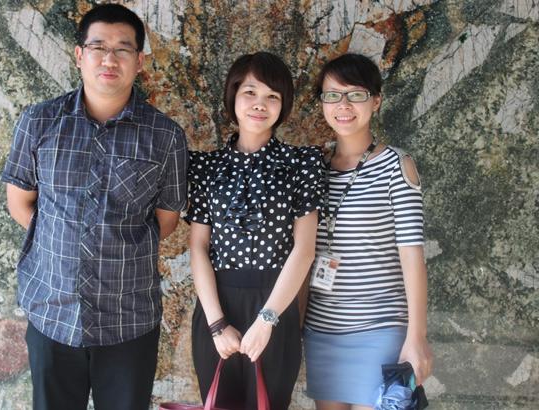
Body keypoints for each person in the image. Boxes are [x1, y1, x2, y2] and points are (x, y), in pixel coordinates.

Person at [0, 4, 188, 410]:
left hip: (128, 318)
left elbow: (167, 219)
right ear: (79, 54)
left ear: (139, 61)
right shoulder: (39, 122)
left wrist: (110, 243)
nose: (109, 59)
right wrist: (65, 236)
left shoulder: (165, 136)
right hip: (52, 312)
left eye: (123, 49)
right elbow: (20, 201)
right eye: (98, 46)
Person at [186, 51, 326, 410]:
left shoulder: (302, 163)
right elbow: (198, 247)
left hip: (275, 305)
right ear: (233, 95)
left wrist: (267, 320)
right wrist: (217, 324)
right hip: (217, 306)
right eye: (250, 92)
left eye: (272, 96)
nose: (260, 104)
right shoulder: (206, 166)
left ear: (283, 105)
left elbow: (304, 250)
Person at [303, 53, 434, 410]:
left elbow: (412, 256)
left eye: (356, 95)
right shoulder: (313, 169)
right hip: (322, 332)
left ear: (376, 101)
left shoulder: (397, 165)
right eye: (332, 95)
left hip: (382, 330)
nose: (343, 105)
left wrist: (417, 337)